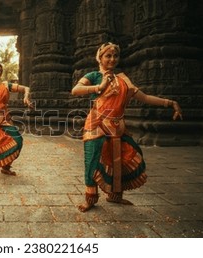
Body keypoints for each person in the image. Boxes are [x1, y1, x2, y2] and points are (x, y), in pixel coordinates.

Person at [71, 42, 183, 212]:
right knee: (92, 162)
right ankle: (90, 198)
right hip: (96, 125)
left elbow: (144, 97)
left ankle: (115, 196)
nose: (112, 59)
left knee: (122, 158)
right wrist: (99, 87)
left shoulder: (123, 79)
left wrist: (170, 103)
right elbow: (76, 90)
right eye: (108, 55)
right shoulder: (94, 75)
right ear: (99, 58)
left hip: (117, 126)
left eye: (115, 56)